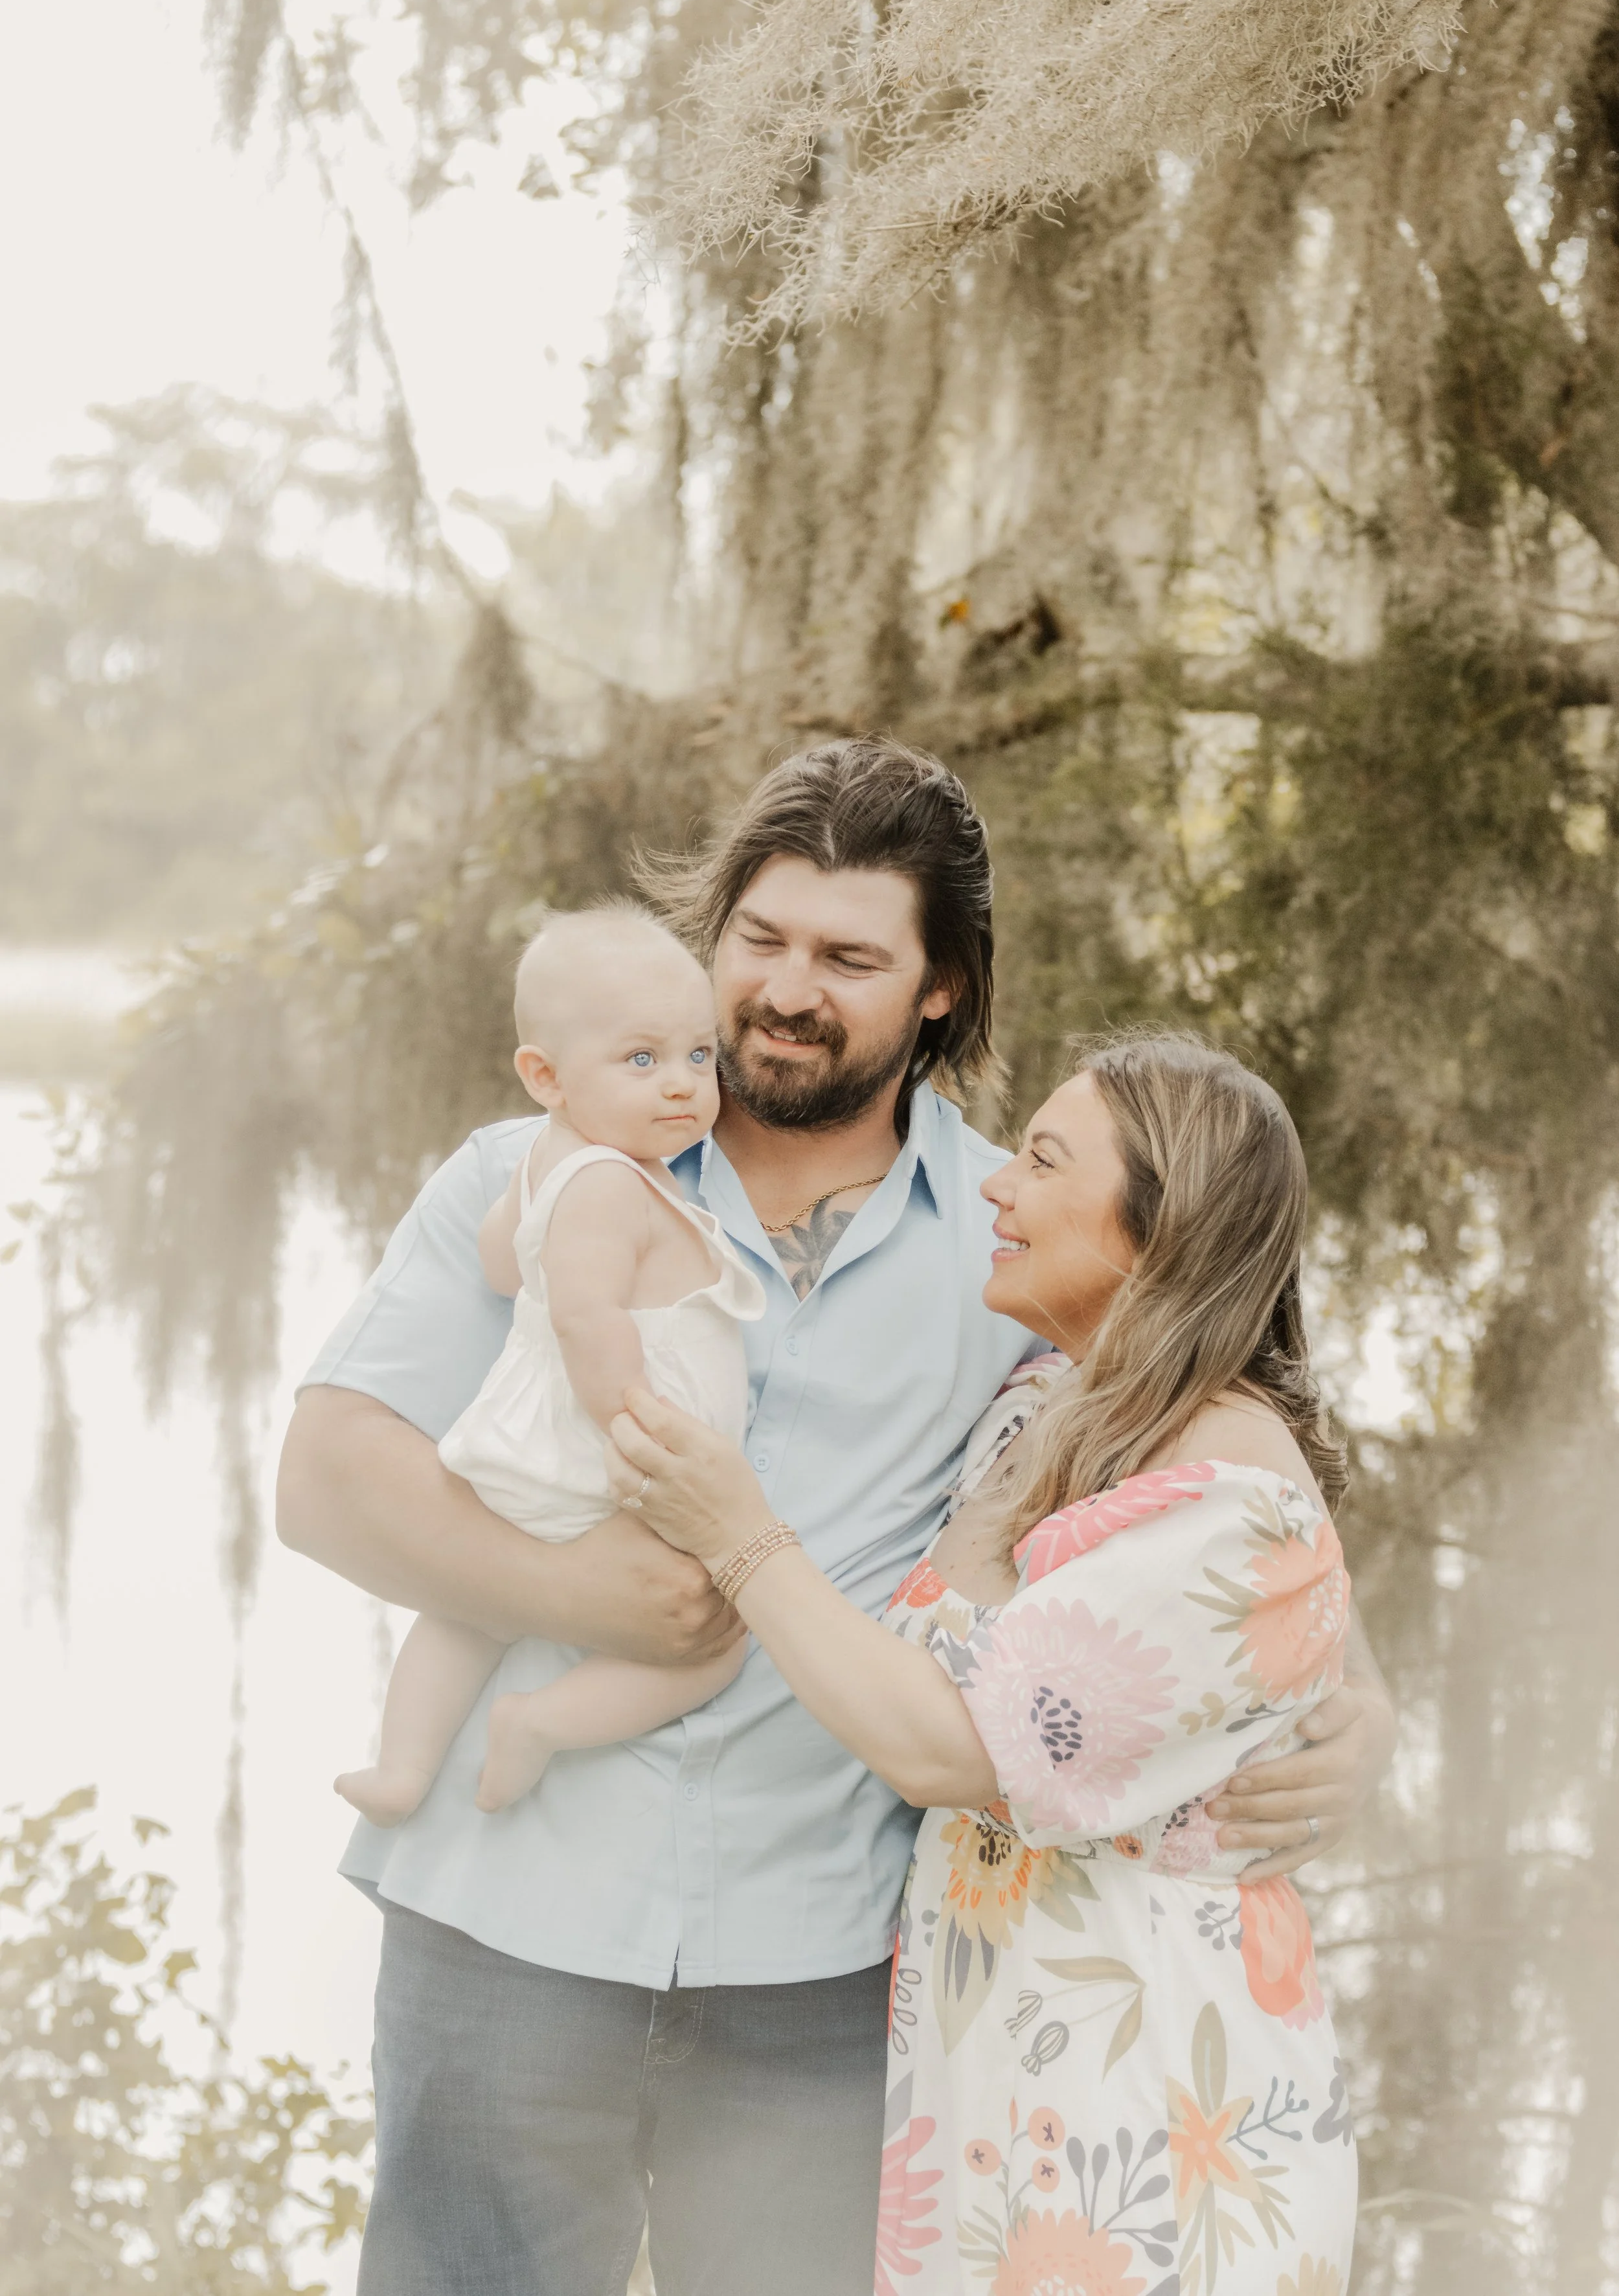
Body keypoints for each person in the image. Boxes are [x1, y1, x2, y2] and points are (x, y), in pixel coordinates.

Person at [277, 739, 1391, 2296]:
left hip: (819, 1981)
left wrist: (1356, 1697)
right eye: (761, 940)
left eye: (851, 959)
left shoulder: (1023, 1241)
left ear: (938, 990)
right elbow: (325, 1480)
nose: (787, 992)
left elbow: (1210, 1459)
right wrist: (587, 1595)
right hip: (502, 1924)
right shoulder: (543, 1179)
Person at [607, 1033, 1360, 2295]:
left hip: (1144, 2147)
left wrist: (739, 1538)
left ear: (1160, 1226)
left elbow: (951, 1749)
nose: (996, 1185)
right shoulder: (1047, 1409)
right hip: (994, 2127)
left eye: (1046, 1159)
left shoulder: (1232, 1502)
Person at [334, 908, 762, 1826]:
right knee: (717, 1639)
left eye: (698, 1055)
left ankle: (402, 1765)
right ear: (546, 1075)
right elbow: (586, 1316)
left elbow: (504, 1263)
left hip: (516, 1446)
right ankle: (542, 1724)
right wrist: (633, 1434)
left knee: (466, 1612)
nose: (684, 1085)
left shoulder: (544, 1161)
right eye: (641, 1061)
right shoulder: (614, 1183)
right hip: (605, 1456)